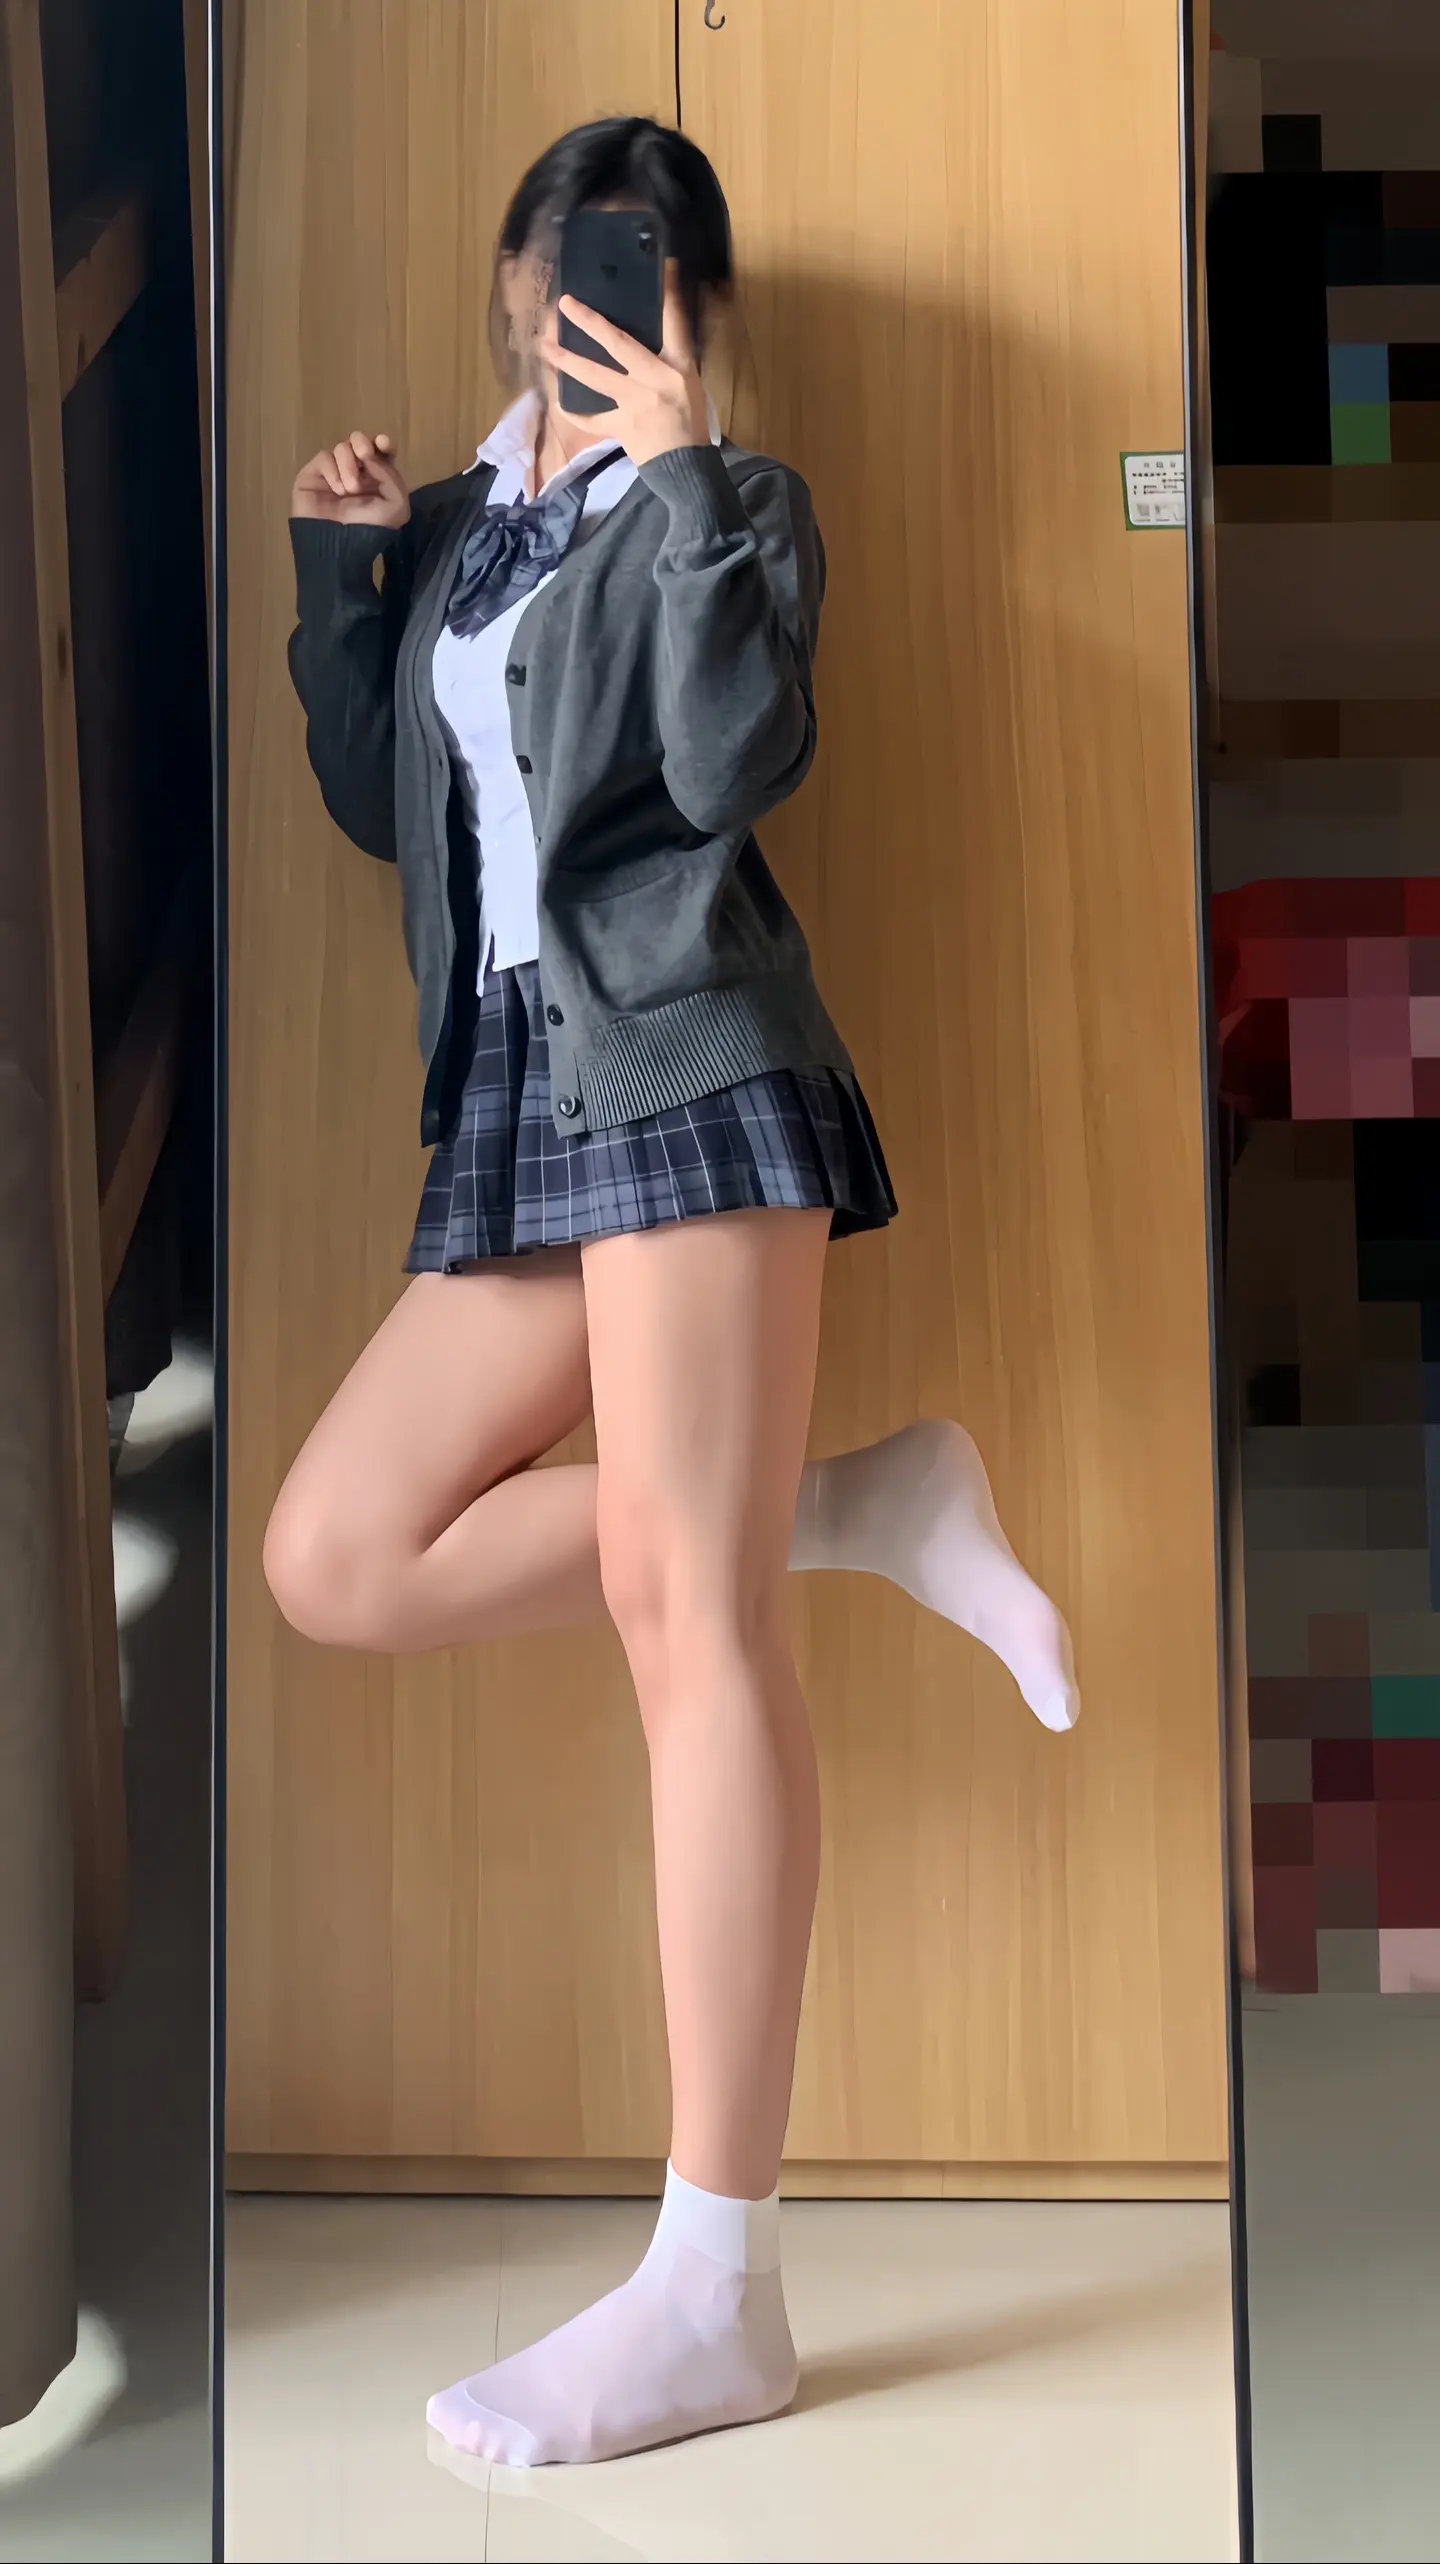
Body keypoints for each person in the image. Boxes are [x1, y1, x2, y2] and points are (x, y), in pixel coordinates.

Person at [268, 115, 1079, 2470]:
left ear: (686, 305)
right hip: (522, 1102)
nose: (583, 317)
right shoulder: (463, 531)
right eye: (555, 281)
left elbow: (735, 763)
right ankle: (860, 1502)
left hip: (696, 1062)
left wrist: (696, 479)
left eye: (629, 282)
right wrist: (345, 577)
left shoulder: (732, 505)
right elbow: (391, 814)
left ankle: (719, 2285)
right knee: (337, 1551)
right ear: (508, 288)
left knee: (678, 1617)